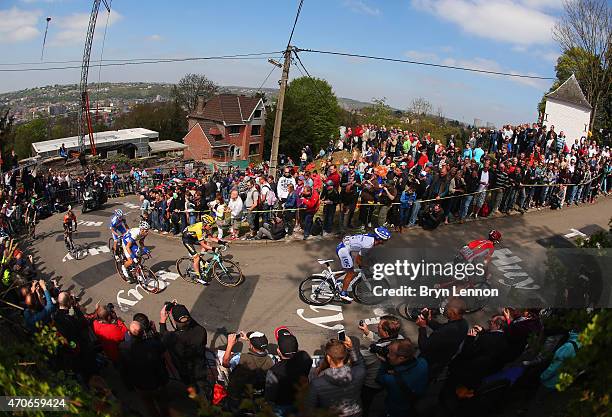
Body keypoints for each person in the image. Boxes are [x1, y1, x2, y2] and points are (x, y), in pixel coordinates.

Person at [119, 321, 171, 417]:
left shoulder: (124, 347)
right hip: (157, 382)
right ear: (143, 333)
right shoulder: (153, 344)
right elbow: (164, 354)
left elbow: (124, 368)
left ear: (129, 334)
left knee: (149, 406)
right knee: (162, 404)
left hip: (141, 385)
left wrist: (129, 384)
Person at [306, 337, 365, 417]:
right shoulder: (358, 373)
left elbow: (310, 410)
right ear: (344, 356)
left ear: (328, 358)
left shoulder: (317, 383)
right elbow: (359, 363)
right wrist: (351, 348)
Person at [159, 303, 210, 396]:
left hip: (184, 370)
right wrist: (180, 309)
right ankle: (204, 401)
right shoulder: (201, 331)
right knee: (203, 388)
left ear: (174, 321)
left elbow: (163, 337)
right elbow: (193, 323)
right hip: (200, 367)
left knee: (190, 386)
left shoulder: (173, 338)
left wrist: (162, 320)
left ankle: (195, 398)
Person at [358, 315, 403, 417]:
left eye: (378, 327)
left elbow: (357, 359)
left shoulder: (373, 354)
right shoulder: (400, 339)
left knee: (365, 401)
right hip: (386, 381)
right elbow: (383, 341)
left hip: (371, 383)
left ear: (386, 332)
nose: (377, 328)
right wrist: (367, 332)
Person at [416, 297, 469, 379]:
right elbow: (441, 327)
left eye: (446, 308)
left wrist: (422, 327)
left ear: (452, 312)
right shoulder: (464, 324)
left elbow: (424, 346)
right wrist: (429, 320)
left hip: (430, 362)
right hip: (444, 359)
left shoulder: (446, 331)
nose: (443, 309)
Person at [335, 226, 391, 302]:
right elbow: (358, 260)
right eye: (384, 240)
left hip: (344, 247)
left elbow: (366, 253)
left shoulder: (371, 237)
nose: (384, 242)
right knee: (350, 273)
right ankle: (343, 294)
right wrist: (365, 266)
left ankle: (333, 279)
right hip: (343, 250)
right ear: (380, 239)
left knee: (349, 268)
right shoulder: (369, 244)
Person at [265, 327, 313, 415]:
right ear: (297, 350)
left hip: (280, 405)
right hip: (300, 402)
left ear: (278, 351)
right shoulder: (306, 362)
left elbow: (270, 393)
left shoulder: (274, 370)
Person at [376, 339, 428, 417]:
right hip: (415, 401)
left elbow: (379, 378)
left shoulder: (391, 379)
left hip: (395, 410)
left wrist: (384, 363)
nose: (387, 355)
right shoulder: (423, 362)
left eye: (390, 354)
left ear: (401, 358)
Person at [222, 330, 274, 407]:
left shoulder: (240, 357)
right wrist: (250, 339)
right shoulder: (272, 359)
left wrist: (230, 344)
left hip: (237, 394)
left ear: (251, 346)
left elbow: (225, 363)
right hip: (258, 395)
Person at [181, 214, 225, 284]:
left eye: (211, 225)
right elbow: (202, 244)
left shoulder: (205, 227)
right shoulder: (199, 230)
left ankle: (201, 260)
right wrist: (213, 249)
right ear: (205, 224)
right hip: (187, 240)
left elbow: (210, 238)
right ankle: (198, 277)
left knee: (208, 243)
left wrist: (222, 242)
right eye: (210, 225)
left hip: (194, 237)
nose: (211, 227)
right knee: (196, 258)